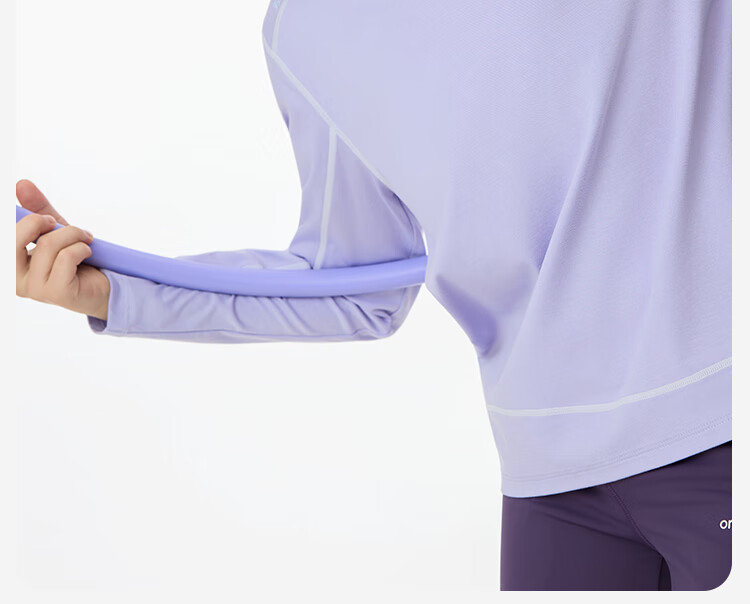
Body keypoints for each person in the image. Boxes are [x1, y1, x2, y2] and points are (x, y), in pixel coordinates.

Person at [15, 0, 731, 591]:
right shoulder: (307, 30)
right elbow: (352, 282)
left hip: (719, 419)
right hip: (549, 476)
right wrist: (112, 291)